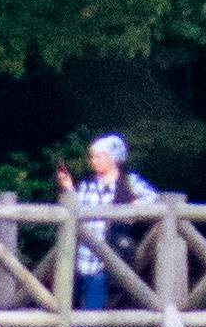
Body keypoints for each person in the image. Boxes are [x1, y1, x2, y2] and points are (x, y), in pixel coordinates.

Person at [55, 129, 162, 317]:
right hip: (84, 246)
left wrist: (134, 207)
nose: (94, 160)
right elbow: (76, 208)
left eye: (99, 156)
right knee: (78, 283)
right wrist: (68, 188)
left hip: (112, 244)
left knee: (98, 281)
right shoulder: (88, 184)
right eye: (93, 156)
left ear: (112, 158)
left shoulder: (129, 181)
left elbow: (154, 199)